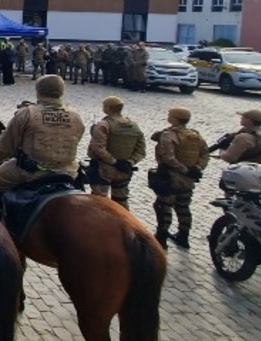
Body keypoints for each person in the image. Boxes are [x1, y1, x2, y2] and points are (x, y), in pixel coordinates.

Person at [0, 75, 85, 215]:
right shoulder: (75, 116)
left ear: (38, 92)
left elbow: (5, 146)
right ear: (62, 92)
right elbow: (77, 138)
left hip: (32, 171)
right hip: (67, 171)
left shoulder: (27, 114)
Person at [150, 108, 209, 249]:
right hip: (188, 180)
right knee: (183, 207)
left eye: (170, 115)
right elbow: (205, 154)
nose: (168, 116)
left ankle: (161, 237)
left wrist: (184, 169)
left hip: (170, 177)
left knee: (163, 206)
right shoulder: (195, 135)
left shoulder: (168, 136)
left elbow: (168, 157)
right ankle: (184, 236)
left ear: (175, 119)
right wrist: (197, 169)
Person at [87, 96, 145, 210]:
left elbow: (98, 148)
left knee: (99, 203)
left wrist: (113, 161)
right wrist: (130, 162)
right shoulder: (133, 126)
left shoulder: (103, 125)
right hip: (124, 171)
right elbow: (141, 150)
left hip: (103, 169)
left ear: (108, 108)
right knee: (121, 202)